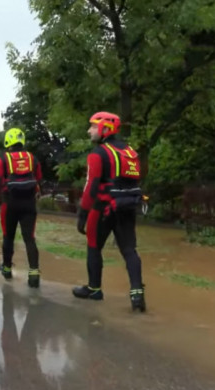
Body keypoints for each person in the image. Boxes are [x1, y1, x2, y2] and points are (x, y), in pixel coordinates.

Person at [73, 111, 146, 312]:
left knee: (94, 247)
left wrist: (82, 215)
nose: (89, 131)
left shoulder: (98, 154)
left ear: (105, 128)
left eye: (93, 126)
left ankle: (94, 290)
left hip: (102, 208)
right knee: (129, 251)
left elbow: (91, 187)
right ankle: (137, 295)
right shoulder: (130, 151)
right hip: (127, 208)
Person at [0, 128, 43, 288]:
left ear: (8, 142)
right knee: (29, 238)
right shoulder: (32, 158)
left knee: (8, 237)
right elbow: (39, 179)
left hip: (9, 204)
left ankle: (6, 269)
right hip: (29, 204)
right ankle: (34, 275)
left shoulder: (3, 159)